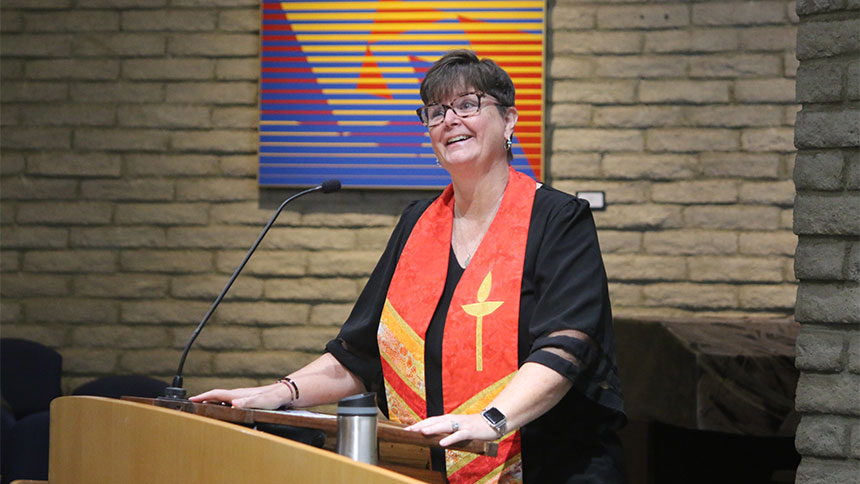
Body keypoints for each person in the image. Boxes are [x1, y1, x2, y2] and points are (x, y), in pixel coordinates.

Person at [192, 49, 626, 484]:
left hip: (554, 467)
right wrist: (277, 393)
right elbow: (360, 355)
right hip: (430, 469)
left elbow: (567, 345)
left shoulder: (557, 219)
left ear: (509, 120)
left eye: (468, 105)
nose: (450, 120)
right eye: (435, 112)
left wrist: (491, 420)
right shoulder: (417, 223)